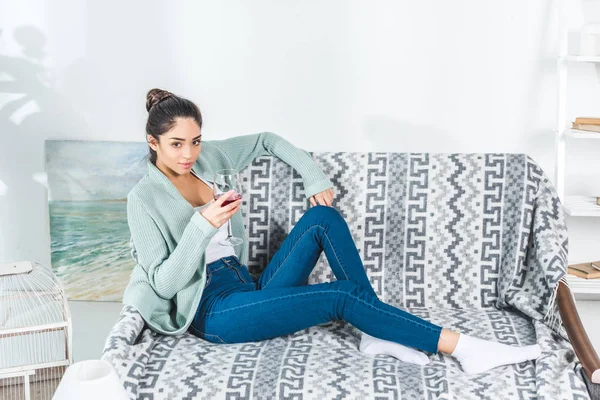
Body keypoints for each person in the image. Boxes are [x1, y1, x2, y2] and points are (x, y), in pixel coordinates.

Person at [123, 88, 542, 375]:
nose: (189, 153)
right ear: (153, 142)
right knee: (339, 296)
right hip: (212, 310)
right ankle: (466, 348)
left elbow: (267, 139)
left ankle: (375, 333)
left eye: (195, 141)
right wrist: (201, 227)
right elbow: (162, 284)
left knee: (323, 219)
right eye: (176, 143)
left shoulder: (206, 159)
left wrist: (312, 175)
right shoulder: (144, 198)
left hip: (245, 285)